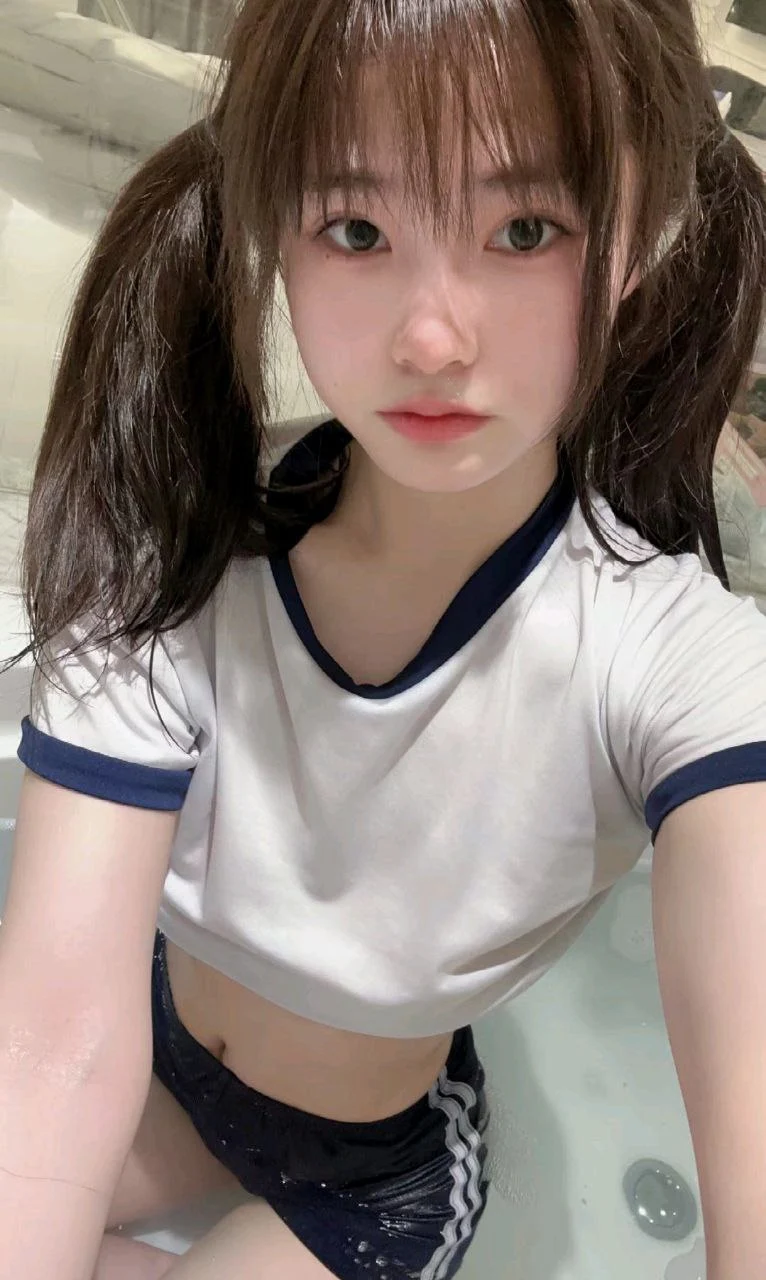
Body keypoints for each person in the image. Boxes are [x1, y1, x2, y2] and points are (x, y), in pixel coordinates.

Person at [2, 0, 766, 1277]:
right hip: (157, 1066)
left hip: (368, 1181)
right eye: (356, 229)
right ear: (279, 231)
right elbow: (56, 1044)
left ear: (637, 242)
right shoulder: (176, 547)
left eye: (525, 229)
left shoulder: (675, 660)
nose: (430, 339)